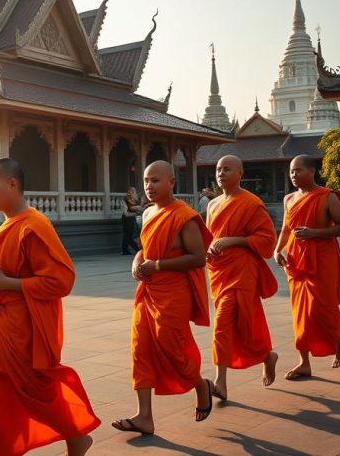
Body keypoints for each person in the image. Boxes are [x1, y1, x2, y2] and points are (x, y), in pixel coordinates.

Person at [0, 158, 99, 455]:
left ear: (12, 185)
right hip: (5, 327)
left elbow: (62, 281)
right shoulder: (11, 225)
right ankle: (74, 436)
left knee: (34, 392)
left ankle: (76, 433)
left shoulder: (33, 226)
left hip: (25, 331)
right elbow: (9, 272)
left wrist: (8, 284)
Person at [112, 160, 213, 435]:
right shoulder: (147, 214)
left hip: (173, 293)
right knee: (139, 349)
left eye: (156, 180)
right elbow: (144, 249)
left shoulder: (184, 215)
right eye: (146, 181)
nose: (149, 186)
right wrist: (137, 262)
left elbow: (198, 257)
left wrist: (157, 266)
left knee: (173, 349)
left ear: (171, 182)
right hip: (148, 292)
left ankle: (200, 385)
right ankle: (144, 416)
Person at [206, 155, 279, 401]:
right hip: (220, 271)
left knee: (236, 324)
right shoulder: (213, 204)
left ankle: (258, 360)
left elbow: (268, 240)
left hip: (243, 270)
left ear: (240, 173)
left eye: (227, 169)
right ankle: (228, 378)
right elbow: (210, 236)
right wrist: (209, 250)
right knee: (230, 326)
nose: (221, 173)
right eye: (218, 169)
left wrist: (234, 240)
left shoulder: (251, 203)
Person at [274, 155, 340, 380]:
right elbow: (287, 230)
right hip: (297, 261)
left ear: (312, 171)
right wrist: (278, 250)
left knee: (322, 309)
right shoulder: (289, 199)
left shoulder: (327, 197)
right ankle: (304, 362)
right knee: (300, 313)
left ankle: (338, 340)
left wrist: (314, 233)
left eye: (298, 171)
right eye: (291, 171)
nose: (294, 175)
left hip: (322, 259)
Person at [122, 187, 144, 255]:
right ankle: (138, 249)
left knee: (128, 235)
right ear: (129, 193)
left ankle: (125, 250)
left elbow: (141, 209)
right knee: (128, 236)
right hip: (126, 219)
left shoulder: (136, 200)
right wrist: (136, 212)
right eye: (132, 191)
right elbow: (126, 213)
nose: (134, 193)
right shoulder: (124, 200)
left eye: (134, 191)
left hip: (134, 218)